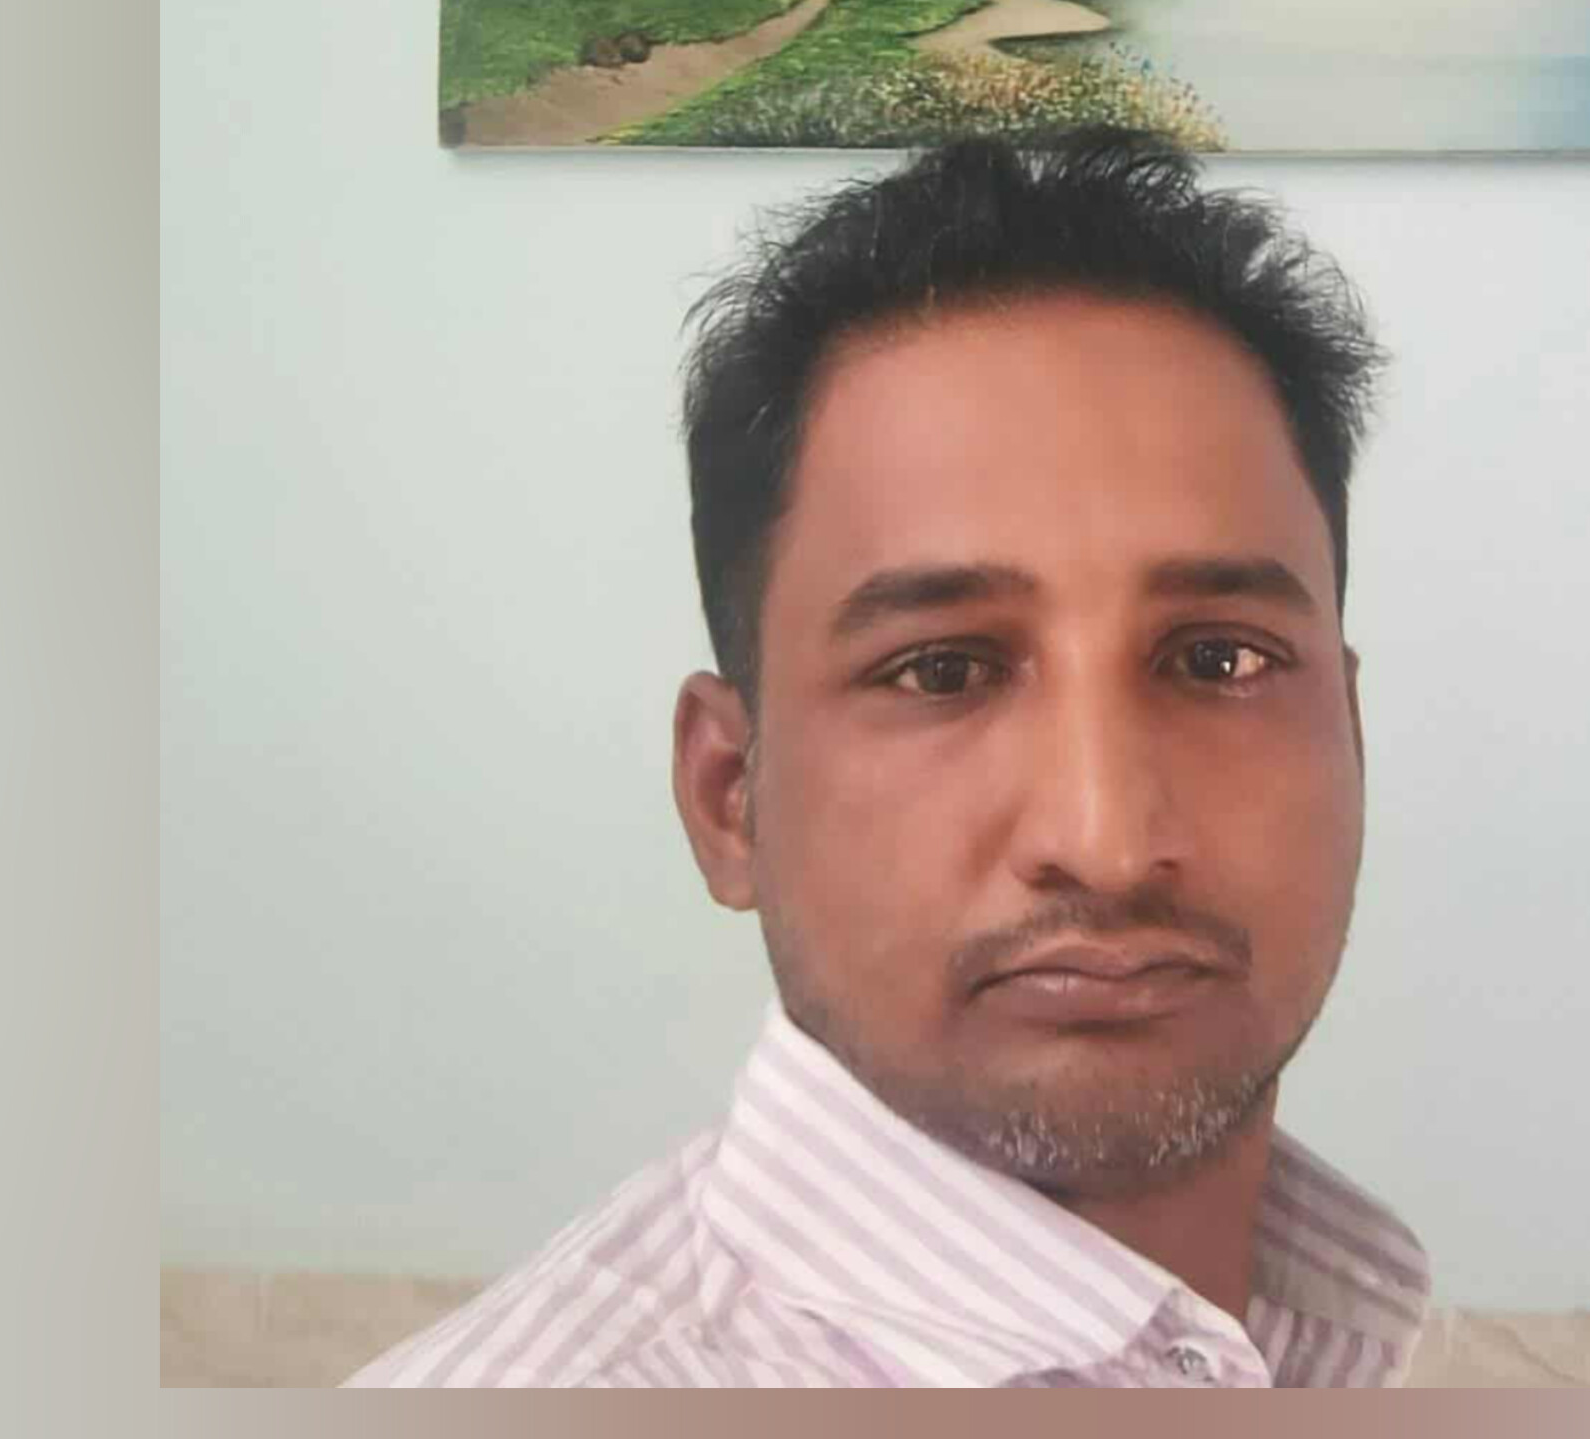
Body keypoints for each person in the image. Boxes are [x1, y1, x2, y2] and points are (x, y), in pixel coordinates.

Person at [349, 127, 1427, 1388]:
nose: (1105, 839)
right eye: (942, 670)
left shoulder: (1337, 1333)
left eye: (1217, 659)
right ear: (728, 796)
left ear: (1349, 732)